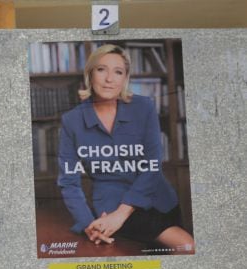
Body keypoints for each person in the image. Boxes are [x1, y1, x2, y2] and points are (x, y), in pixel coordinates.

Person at [57, 44, 194, 253]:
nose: (109, 79)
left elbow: (152, 165)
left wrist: (122, 213)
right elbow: (69, 182)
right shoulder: (72, 121)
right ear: (90, 74)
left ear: (125, 78)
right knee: (187, 246)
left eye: (118, 72)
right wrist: (89, 225)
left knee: (175, 262)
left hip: (159, 199)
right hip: (111, 208)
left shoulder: (144, 107)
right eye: (101, 69)